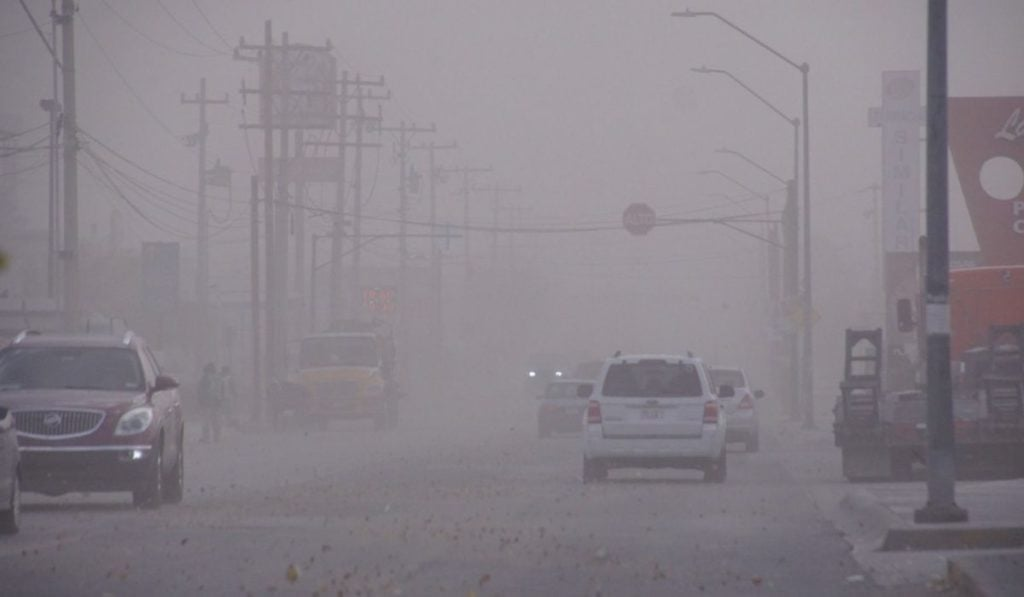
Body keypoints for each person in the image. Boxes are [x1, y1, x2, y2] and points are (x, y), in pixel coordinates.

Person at [197, 363, 224, 442]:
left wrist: (200, 401)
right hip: (217, 402)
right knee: (216, 420)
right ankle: (217, 437)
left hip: (207, 402)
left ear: (206, 371)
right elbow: (222, 391)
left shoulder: (204, 379)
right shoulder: (219, 379)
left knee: (206, 421)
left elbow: (200, 391)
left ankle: (206, 437)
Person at [219, 365, 240, 430]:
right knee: (224, 409)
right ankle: (224, 422)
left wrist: (235, 394)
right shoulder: (221, 378)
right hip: (224, 397)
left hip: (228, 397)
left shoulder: (229, 379)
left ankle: (227, 422)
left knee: (228, 410)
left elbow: (233, 388)